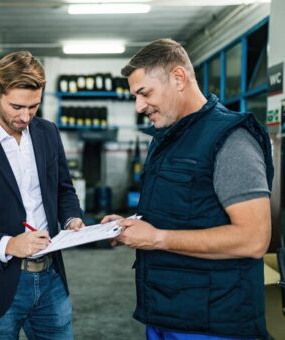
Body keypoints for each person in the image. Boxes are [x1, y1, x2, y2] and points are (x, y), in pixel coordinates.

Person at [101, 39, 274, 339]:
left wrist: (157, 238)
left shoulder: (231, 140)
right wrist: (130, 226)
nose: (139, 106)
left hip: (213, 323)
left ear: (178, 78)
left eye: (145, 93)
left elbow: (253, 239)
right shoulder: (166, 138)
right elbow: (180, 211)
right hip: (166, 311)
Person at [0, 51, 84, 340]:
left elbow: (64, 188)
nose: (25, 116)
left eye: (34, 107)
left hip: (51, 277)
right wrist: (10, 244)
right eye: (16, 106)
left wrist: (72, 218)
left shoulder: (48, 132)